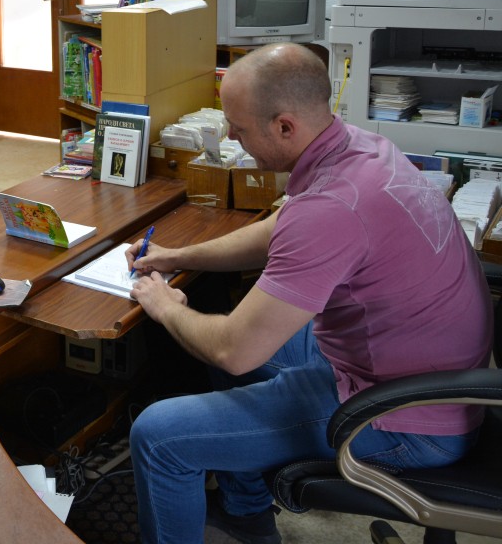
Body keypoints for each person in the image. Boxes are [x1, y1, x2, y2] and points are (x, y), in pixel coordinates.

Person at [125, 43, 492, 544]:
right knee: (225, 336)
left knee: (158, 435)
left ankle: (237, 508)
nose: (230, 137)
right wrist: (178, 256)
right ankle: (248, 517)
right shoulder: (360, 147)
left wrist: (166, 306)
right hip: (424, 372)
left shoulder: (333, 207)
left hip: (404, 416)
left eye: (238, 127)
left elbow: (235, 350)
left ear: (284, 127)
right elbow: (281, 227)